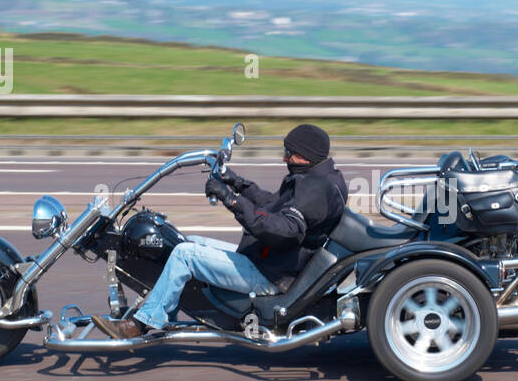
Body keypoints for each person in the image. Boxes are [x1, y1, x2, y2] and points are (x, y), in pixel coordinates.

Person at [93, 124, 347, 338]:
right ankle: (165, 314)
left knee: (184, 254)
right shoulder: (318, 179)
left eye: (288, 154)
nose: (284, 158)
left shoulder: (315, 190)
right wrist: (236, 183)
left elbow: (282, 230)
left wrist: (232, 201)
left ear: (305, 156)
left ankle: (141, 324)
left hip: (271, 275)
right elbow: (272, 204)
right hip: (271, 262)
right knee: (188, 241)